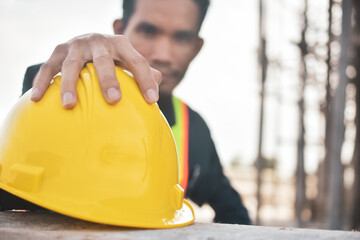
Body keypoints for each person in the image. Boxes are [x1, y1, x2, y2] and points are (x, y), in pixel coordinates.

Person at [1, 0, 251, 224]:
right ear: (119, 31)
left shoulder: (193, 130)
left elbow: (236, 215)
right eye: (148, 31)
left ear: (196, 47)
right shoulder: (68, 90)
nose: (163, 54)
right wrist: (55, 82)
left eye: (181, 37)